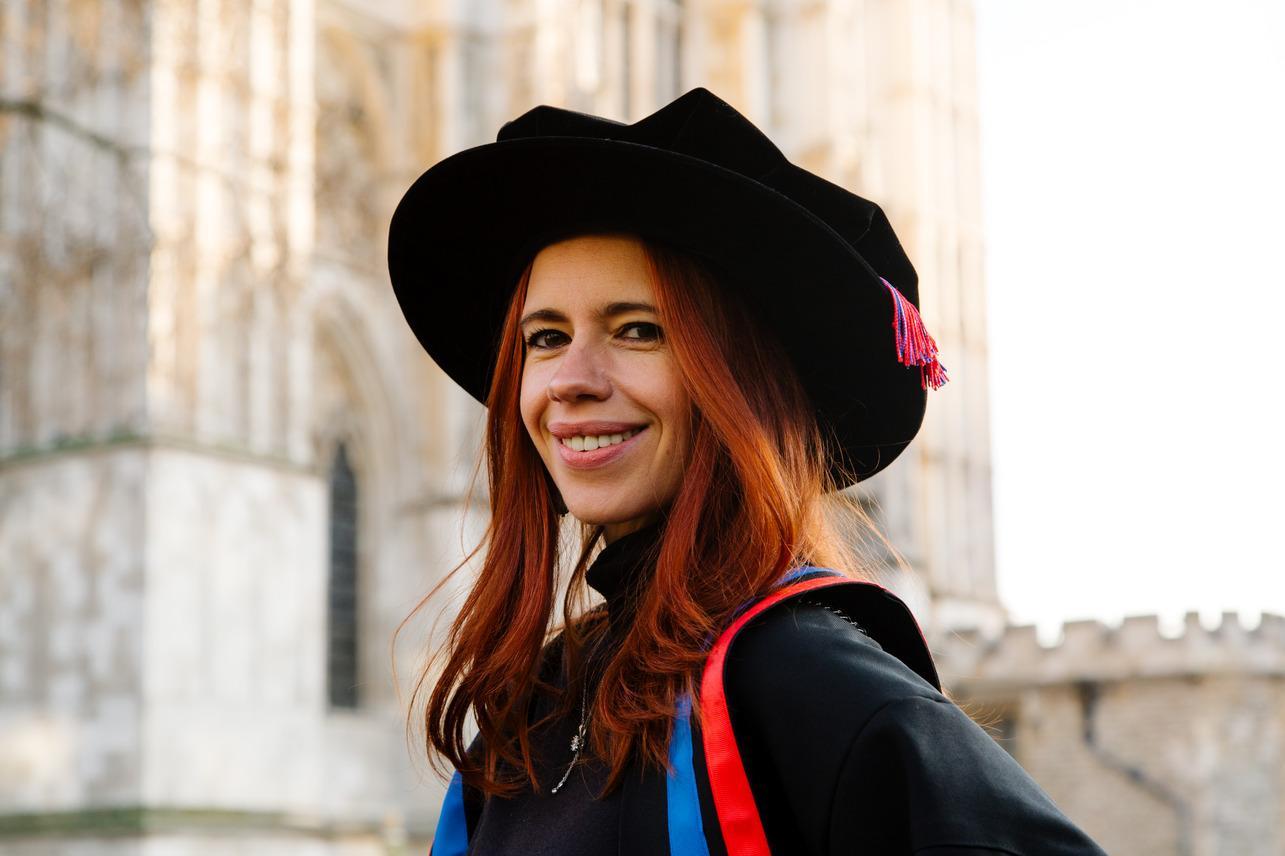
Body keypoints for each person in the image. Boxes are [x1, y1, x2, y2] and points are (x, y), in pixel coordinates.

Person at [389, 88, 1106, 855]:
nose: (571, 378)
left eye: (637, 331)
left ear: (741, 384)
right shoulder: (538, 701)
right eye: (544, 337)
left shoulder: (801, 680)